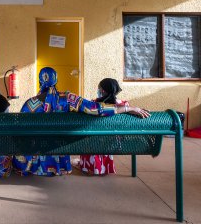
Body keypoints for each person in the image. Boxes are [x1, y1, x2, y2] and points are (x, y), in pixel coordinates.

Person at [13, 67, 150, 177]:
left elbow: (19, 130)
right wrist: (127, 108)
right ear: (56, 80)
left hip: (32, 159)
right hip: (58, 151)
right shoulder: (67, 98)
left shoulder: (29, 103)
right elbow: (96, 109)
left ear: (39, 81)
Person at [78, 78, 128, 175]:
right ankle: (104, 167)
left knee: (91, 137)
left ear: (102, 90)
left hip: (94, 140)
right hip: (113, 141)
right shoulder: (124, 105)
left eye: (99, 88)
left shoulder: (94, 104)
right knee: (104, 137)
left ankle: (87, 167)